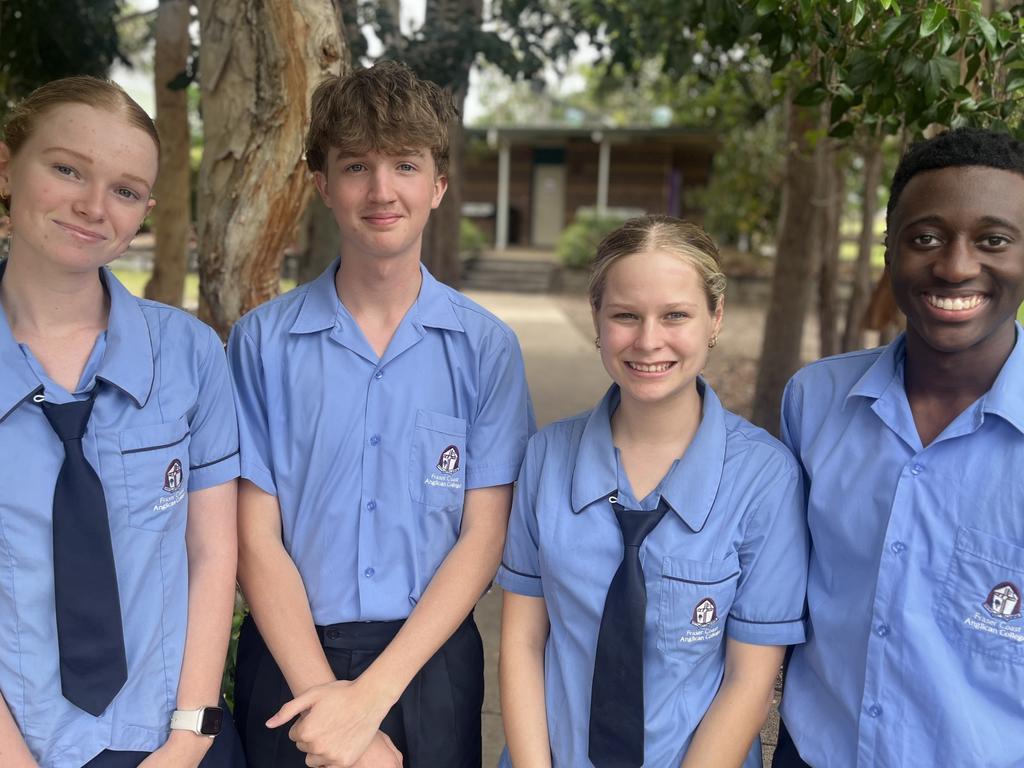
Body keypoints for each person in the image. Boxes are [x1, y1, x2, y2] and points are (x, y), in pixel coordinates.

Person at [227, 61, 534, 768]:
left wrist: (369, 701)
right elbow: (253, 537)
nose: (382, 190)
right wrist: (327, 697)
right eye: (356, 165)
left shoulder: (485, 348)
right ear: (322, 185)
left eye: (405, 164)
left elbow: (482, 536)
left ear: (438, 186)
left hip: (430, 661)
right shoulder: (261, 343)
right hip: (290, 655)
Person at [498, 216, 808, 767]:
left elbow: (748, 680)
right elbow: (523, 643)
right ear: (597, 317)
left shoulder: (764, 477)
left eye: (675, 316)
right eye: (625, 316)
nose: (647, 341)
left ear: (714, 317)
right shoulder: (546, 458)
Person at [0, 77, 243, 767]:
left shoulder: (191, 354)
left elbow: (211, 552)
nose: (93, 206)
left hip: (171, 741)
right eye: (67, 168)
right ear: (5, 168)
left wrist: (190, 736)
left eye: (126, 190)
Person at [772, 128, 1024, 768]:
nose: (956, 266)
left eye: (993, 240)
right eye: (926, 238)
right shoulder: (816, 400)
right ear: (889, 250)